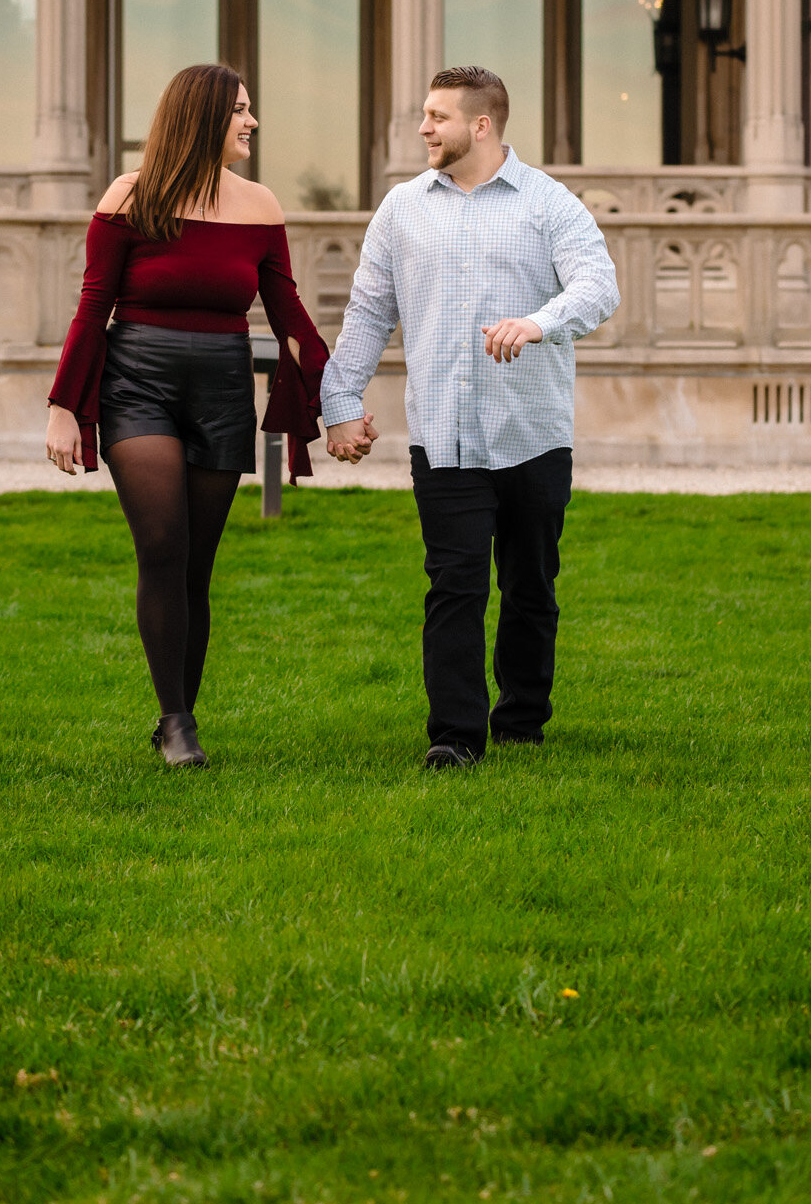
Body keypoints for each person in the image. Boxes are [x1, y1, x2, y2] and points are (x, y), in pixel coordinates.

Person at [321, 66, 619, 769]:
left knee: (529, 587)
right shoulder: (400, 209)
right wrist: (339, 405)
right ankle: (453, 735)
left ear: (479, 125)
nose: (423, 129)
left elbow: (597, 284)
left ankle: (521, 719)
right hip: (443, 435)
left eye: (436, 117)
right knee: (452, 586)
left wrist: (540, 322)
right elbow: (367, 313)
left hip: (532, 433)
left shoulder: (548, 203)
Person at [46, 64, 328, 768]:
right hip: (138, 381)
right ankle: (176, 724)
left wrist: (336, 395)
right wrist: (62, 407)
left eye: (250, 109)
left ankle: (181, 713)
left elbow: (287, 312)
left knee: (196, 565)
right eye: (238, 109)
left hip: (222, 387)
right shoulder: (129, 197)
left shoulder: (260, 206)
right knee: (164, 544)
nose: (251, 122)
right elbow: (93, 307)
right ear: (201, 117)